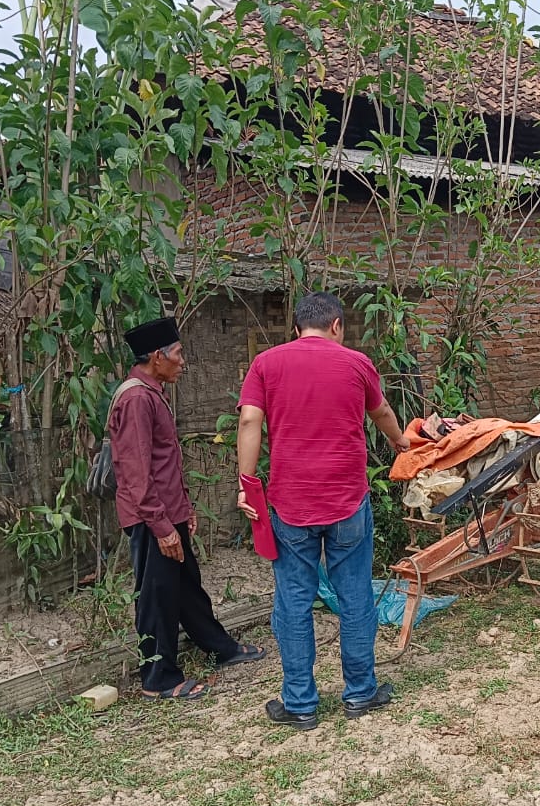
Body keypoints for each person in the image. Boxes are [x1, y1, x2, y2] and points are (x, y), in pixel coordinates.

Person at [236, 292, 411, 730]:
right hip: (348, 500)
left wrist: (247, 484)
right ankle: (360, 692)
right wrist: (400, 444)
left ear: (296, 329)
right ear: (336, 326)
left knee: (294, 600)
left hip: (290, 503)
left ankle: (300, 704)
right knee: (354, 594)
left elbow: (248, 421)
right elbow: (383, 411)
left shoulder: (266, 364)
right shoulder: (356, 363)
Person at [111, 316, 266, 700]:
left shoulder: (152, 392)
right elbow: (135, 471)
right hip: (151, 518)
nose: (183, 362)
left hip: (167, 511)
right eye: (177, 354)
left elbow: (163, 462)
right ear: (156, 357)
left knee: (186, 587)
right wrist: (162, 525)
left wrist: (183, 509)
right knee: (158, 595)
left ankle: (219, 648)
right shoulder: (135, 399)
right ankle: (158, 677)